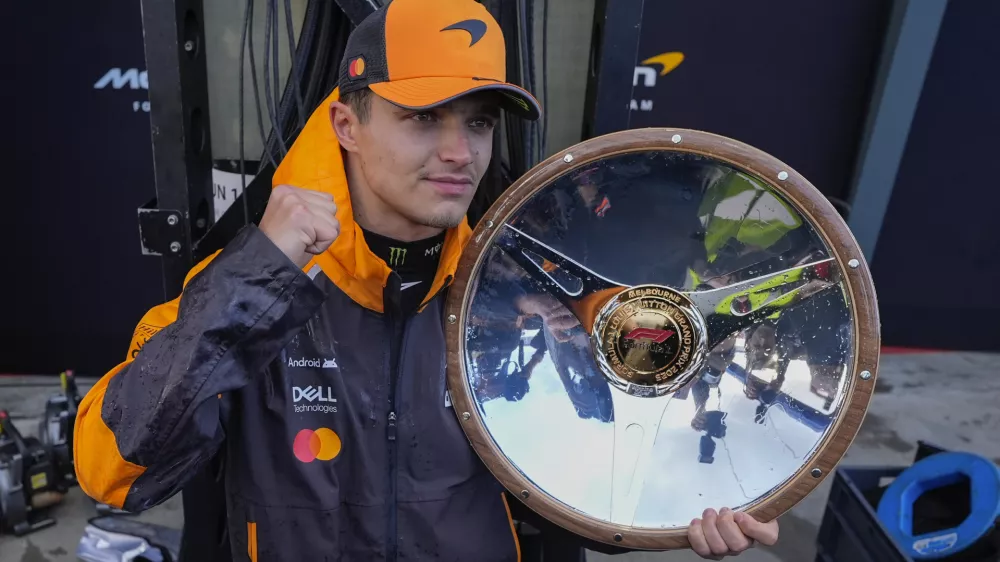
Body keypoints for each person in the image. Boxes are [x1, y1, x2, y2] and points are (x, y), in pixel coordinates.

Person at [73, 0, 779, 559]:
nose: (457, 151)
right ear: (347, 124)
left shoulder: (526, 297)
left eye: (476, 123)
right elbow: (114, 469)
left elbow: (579, 491)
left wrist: (683, 508)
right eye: (421, 118)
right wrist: (258, 278)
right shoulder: (247, 287)